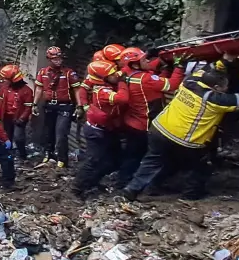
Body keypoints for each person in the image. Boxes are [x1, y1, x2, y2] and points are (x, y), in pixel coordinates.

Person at [122, 63, 239, 202]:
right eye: (225, 87)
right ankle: (190, 195)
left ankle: (133, 188)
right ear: (216, 88)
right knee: (201, 166)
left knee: (153, 161)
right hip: (184, 139)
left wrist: (225, 60)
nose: (227, 89)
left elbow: (202, 71)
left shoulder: (189, 82)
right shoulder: (215, 100)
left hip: (159, 129)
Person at [117, 47, 185, 188]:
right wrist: (179, 66)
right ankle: (140, 185)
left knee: (131, 155)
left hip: (132, 121)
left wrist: (161, 63)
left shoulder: (126, 73)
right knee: (147, 156)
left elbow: (151, 73)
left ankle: (123, 181)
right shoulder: (145, 79)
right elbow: (171, 84)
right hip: (144, 124)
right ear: (135, 64)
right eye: (144, 59)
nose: (148, 61)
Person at [73, 60, 130, 197]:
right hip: (96, 132)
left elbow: (126, 68)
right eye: (112, 74)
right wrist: (122, 82)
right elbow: (122, 99)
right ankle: (76, 188)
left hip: (106, 129)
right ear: (103, 78)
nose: (115, 75)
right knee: (93, 160)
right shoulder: (102, 92)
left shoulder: (106, 82)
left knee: (113, 160)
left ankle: (92, 182)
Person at [32, 47, 86, 168]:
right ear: (49, 59)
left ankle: (62, 158)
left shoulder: (68, 73)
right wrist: (34, 104)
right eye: (55, 59)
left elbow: (77, 90)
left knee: (61, 133)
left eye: (59, 58)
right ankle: (48, 154)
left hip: (64, 106)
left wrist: (79, 106)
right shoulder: (43, 72)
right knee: (48, 132)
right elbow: (39, 89)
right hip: (49, 105)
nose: (58, 61)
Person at [0, 64, 34, 160]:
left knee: (18, 137)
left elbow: (28, 108)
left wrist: (22, 119)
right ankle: (8, 154)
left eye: (7, 79)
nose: (5, 81)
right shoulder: (5, 87)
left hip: (19, 118)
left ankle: (22, 154)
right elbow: (0, 101)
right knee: (6, 136)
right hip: (6, 116)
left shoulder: (27, 91)